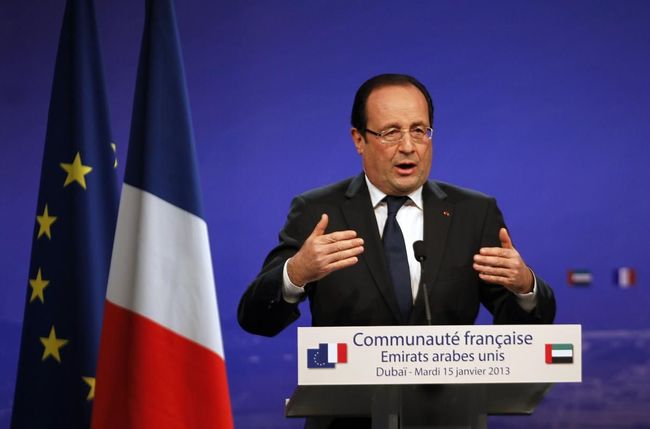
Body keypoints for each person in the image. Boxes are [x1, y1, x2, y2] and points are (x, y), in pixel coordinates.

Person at [238, 74, 556, 428]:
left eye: (420, 130)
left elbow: (524, 325)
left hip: (448, 418)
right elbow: (255, 318)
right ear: (359, 139)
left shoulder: (473, 212)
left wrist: (525, 286)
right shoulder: (318, 212)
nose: (409, 146)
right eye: (391, 132)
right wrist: (296, 274)